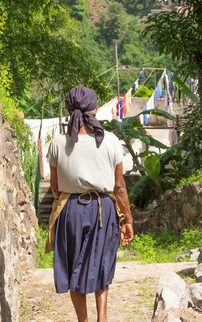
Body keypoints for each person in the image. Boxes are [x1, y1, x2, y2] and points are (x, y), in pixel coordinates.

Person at [45, 86, 134, 322]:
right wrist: (128, 219)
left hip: (70, 211)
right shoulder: (111, 142)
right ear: (94, 109)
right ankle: (102, 318)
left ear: (68, 110)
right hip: (103, 209)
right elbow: (120, 187)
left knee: (73, 263)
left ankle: (83, 320)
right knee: (102, 261)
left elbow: (54, 188)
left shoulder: (56, 143)